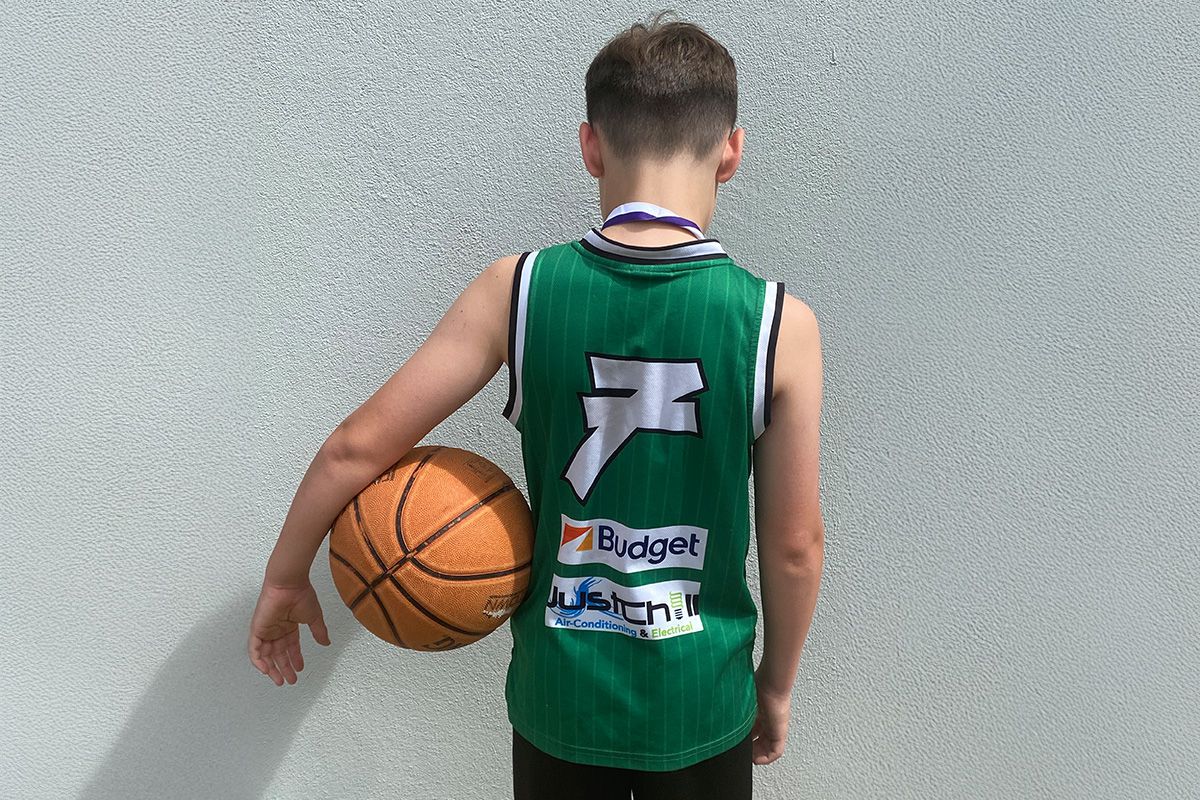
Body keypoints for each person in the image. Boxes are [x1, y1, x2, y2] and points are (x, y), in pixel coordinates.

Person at [247, 10, 825, 800]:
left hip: (561, 696)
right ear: (731, 152)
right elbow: (794, 545)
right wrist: (778, 684)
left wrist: (286, 576)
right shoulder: (777, 325)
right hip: (701, 697)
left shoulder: (515, 292)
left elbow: (356, 447)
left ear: (589, 145)